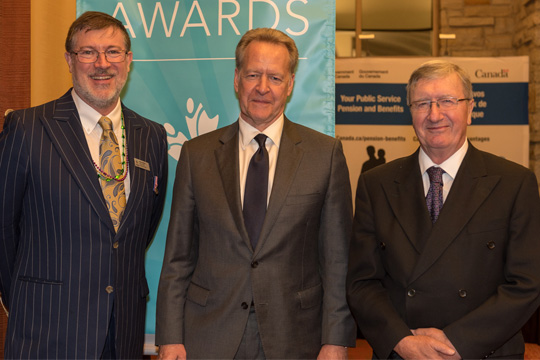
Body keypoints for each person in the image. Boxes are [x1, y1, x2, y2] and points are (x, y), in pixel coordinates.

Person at [156, 28, 356, 359]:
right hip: (209, 335)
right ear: (237, 79)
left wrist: (335, 341)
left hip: (295, 337)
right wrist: (169, 337)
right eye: (253, 75)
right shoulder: (196, 155)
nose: (263, 88)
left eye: (275, 78)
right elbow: (178, 258)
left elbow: (337, 260)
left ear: (290, 84)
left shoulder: (325, 155)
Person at [0, 11, 168, 359]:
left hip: (122, 332)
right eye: (88, 52)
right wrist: (25, 300)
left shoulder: (151, 135)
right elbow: (3, 227)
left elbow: (138, 227)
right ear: (69, 60)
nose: (102, 64)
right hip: (47, 332)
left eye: (113, 52)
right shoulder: (28, 128)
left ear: (129, 59)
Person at [346, 59, 540, 359]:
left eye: (447, 101)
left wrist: (456, 341)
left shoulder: (515, 183)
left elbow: (527, 284)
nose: (434, 115)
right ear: (410, 112)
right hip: (403, 352)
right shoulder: (376, 184)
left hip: (484, 351)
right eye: (422, 103)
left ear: (471, 109)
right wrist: (402, 341)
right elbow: (361, 283)